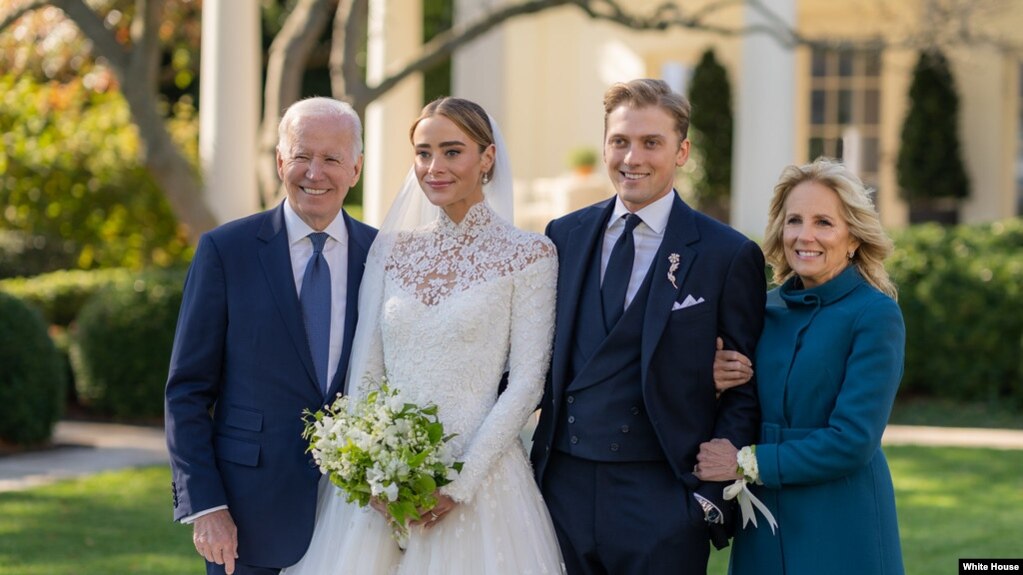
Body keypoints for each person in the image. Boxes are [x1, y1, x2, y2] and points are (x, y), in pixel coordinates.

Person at [282, 97, 565, 574]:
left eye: (452, 152)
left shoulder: (531, 255)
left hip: (482, 484)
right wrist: (374, 468)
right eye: (423, 152)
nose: (434, 167)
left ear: (487, 158)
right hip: (383, 490)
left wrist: (458, 483)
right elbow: (368, 371)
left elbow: (526, 385)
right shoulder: (390, 251)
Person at [529, 78, 766, 575]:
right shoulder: (563, 235)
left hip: (661, 498)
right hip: (559, 493)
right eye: (620, 141)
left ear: (681, 151)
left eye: (650, 143)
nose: (632, 157)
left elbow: (746, 391)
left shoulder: (727, 254)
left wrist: (705, 503)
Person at [164, 97, 377, 575]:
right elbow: (187, 392)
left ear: (356, 168)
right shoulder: (226, 251)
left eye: (332, 159)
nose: (314, 172)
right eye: (302, 155)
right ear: (281, 161)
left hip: (359, 518)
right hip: (245, 516)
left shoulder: (382, 256)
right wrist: (206, 507)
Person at [695, 157, 906, 575]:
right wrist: (715, 381)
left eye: (823, 222)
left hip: (840, 520)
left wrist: (746, 463)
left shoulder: (875, 315)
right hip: (764, 526)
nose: (804, 236)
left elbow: (852, 440)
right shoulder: (763, 308)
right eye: (794, 220)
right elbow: (743, 403)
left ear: (853, 238)